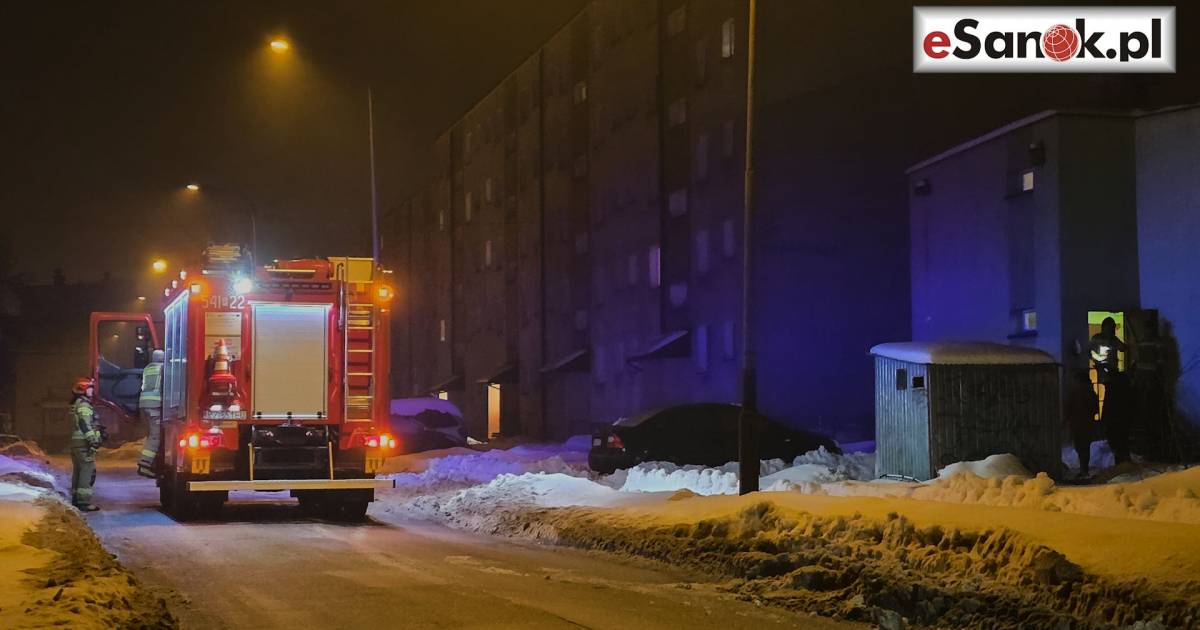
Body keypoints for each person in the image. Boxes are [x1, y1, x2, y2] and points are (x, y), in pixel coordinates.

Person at [68, 377, 102, 511]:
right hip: (83, 443)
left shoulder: (76, 403)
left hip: (76, 443)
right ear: (84, 389)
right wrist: (92, 440)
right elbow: (84, 423)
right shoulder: (83, 405)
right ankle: (83, 502)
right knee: (87, 471)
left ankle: (77, 499)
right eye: (91, 388)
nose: (92, 391)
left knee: (79, 471)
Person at [1063, 370, 1099, 478]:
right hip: (1088, 423)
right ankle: (1085, 469)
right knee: (1085, 446)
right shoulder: (1091, 392)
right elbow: (1096, 409)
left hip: (1076, 423)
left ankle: (1083, 469)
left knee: (1079, 446)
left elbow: (1068, 407)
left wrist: (1065, 420)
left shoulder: (1074, 392)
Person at [136, 349, 164, 478]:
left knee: (150, 435)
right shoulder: (163, 368)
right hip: (155, 405)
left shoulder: (148, 368)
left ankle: (151, 463)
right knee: (155, 436)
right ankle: (144, 464)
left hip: (143, 404)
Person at [1102, 372, 1136, 466]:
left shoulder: (1112, 390)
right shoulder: (1128, 390)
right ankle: (1125, 464)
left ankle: (1122, 465)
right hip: (1125, 422)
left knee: (1117, 446)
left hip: (1113, 422)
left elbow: (1107, 407)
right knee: (1122, 444)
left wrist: (1104, 422)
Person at [1090, 317, 1127, 384]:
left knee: (1112, 386)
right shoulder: (1097, 338)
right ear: (1104, 326)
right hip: (1101, 368)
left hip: (1112, 369)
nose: (1109, 329)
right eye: (1108, 326)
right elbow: (1090, 352)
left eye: (1112, 326)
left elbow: (1123, 348)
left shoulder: (1113, 339)